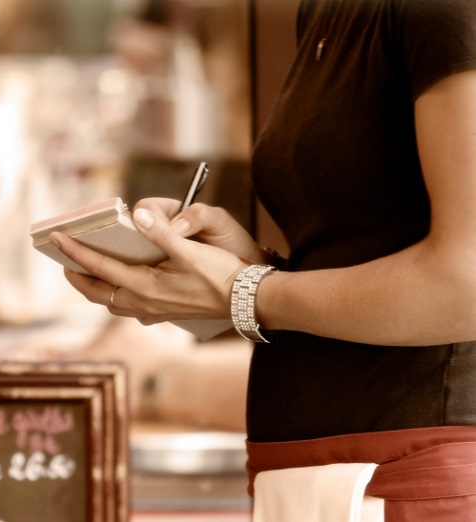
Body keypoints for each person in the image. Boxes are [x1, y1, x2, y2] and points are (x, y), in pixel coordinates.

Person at [47, 0, 476, 519]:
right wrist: (249, 265)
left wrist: (247, 290)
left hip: (414, 471)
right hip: (310, 470)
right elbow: (367, 246)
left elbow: (465, 282)